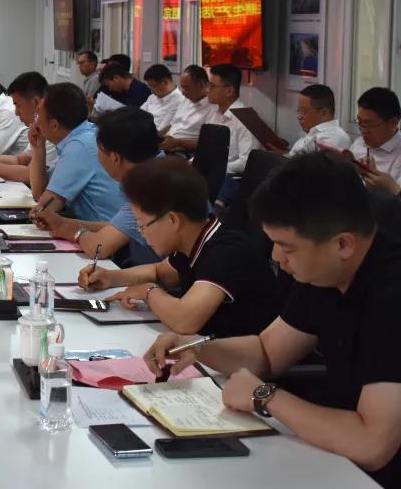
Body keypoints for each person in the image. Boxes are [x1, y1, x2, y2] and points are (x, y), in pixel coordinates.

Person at [142, 153, 401, 487]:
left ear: (343, 244)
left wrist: (265, 396)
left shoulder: (391, 296)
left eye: (286, 248)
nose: (277, 258)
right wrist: (198, 348)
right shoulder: (324, 269)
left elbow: (373, 444)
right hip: (332, 454)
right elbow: (268, 352)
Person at [84, 156, 280, 337]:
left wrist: (148, 291)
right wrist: (111, 277)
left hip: (241, 359)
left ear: (173, 220)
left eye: (142, 225)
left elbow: (184, 320)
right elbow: (159, 273)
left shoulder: (226, 251)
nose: (141, 233)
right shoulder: (193, 241)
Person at [38, 107, 162, 266]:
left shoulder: (149, 189)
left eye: (99, 150)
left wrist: (73, 231)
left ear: (115, 158)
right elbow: (118, 228)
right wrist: (63, 223)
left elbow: (97, 246)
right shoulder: (160, 171)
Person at [27, 83, 124, 222]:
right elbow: (40, 191)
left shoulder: (80, 145)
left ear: (54, 125)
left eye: (38, 114)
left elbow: (46, 206)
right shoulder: (85, 133)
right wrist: (37, 148)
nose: (35, 121)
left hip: (109, 231)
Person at [206, 62, 261, 177]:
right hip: (209, 173)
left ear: (229, 91)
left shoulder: (246, 119)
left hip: (228, 178)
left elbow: (246, 162)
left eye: (212, 86)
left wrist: (214, 169)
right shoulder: (214, 112)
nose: (207, 90)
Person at [350, 87, 401, 195]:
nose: (363, 130)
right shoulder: (359, 143)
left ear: (393, 122)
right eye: (360, 122)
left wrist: (390, 187)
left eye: (369, 124)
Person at [276, 84, 351, 157]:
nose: (299, 116)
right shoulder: (313, 132)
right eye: (299, 110)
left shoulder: (334, 138)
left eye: (304, 111)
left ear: (324, 113)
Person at [159, 65, 212, 152]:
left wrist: (178, 143)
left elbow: (208, 143)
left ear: (201, 85)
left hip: (184, 152)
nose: (183, 93)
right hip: (167, 145)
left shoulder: (212, 107)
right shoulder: (185, 100)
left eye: (186, 88)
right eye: (182, 87)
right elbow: (173, 124)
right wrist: (158, 134)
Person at [140, 64, 185, 131]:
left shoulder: (178, 101)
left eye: (153, 86)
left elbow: (162, 130)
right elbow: (138, 115)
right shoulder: (152, 97)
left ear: (165, 82)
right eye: (150, 87)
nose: (151, 90)